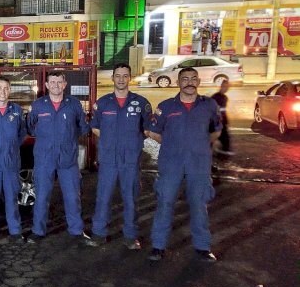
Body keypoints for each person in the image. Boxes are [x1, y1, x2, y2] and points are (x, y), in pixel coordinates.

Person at [148, 67, 222, 262]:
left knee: (199, 205)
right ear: (178, 82)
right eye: (185, 79)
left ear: (198, 82)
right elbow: (153, 132)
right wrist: (173, 144)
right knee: (165, 203)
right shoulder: (166, 107)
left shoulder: (209, 105)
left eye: (193, 79)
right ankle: (158, 246)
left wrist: (200, 144)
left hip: (199, 165)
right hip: (171, 164)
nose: (189, 82)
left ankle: (203, 247)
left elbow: (216, 130)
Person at [88, 63, 152, 250]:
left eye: (125, 76)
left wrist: (131, 143)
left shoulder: (141, 103)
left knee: (131, 198)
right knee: (103, 197)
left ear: (130, 78)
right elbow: (95, 127)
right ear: (113, 78)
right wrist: (110, 142)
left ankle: (131, 236)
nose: (121, 79)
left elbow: (147, 129)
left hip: (130, 160)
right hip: (108, 159)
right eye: (118, 76)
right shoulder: (103, 102)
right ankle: (99, 233)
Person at [26, 71, 93, 245]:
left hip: (68, 159)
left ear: (65, 84)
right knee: (41, 196)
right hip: (44, 159)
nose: (56, 85)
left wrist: (68, 138)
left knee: (73, 196)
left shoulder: (74, 105)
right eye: (52, 82)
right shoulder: (38, 105)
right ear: (46, 85)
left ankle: (76, 230)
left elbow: (83, 127)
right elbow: (30, 126)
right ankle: (38, 231)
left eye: (59, 82)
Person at [0, 76, 27, 243]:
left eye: (6, 88)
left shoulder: (17, 111)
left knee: (11, 197)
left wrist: (12, 146)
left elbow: (22, 133)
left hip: (11, 162)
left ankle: (15, 231)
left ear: (10, 90)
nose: (3, 91)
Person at [211, 79, 233, 155]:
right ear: (221, 86)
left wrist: (226, 121)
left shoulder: (225, 98)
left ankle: (225, 149)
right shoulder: (215, 97)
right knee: (221, 135)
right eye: (225, 86)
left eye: (227, 87)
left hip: (221, 121)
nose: (226, 88)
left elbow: (223, 110)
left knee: (223, 135)